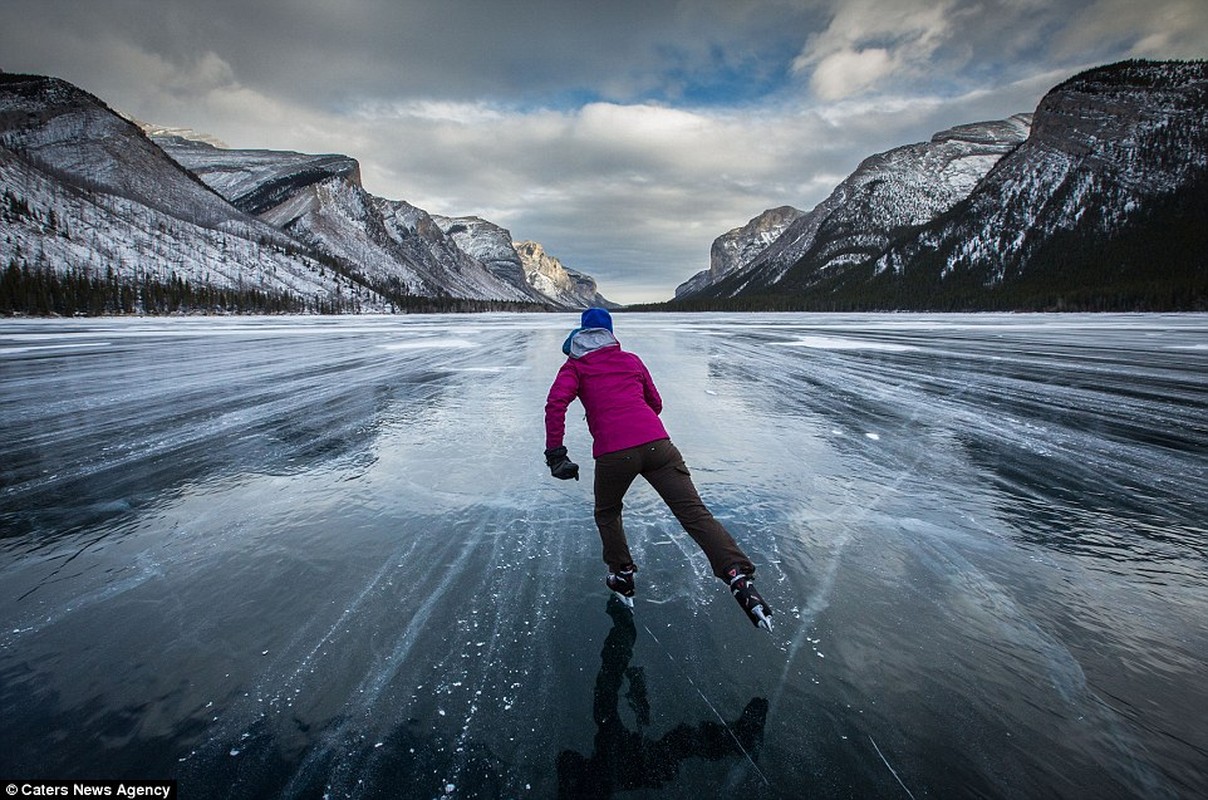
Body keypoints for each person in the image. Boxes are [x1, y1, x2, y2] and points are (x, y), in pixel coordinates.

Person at [543, 307, 773, 630]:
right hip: (658, 445)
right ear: (610, 333)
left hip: (613, 454)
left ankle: (622, 575)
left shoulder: (575, 366)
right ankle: (737, 574)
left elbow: (555, 404)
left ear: (581, 334)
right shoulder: (631, 360)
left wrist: (556, 453)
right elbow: (656, 403)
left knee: (608, 512)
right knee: (695, 512)